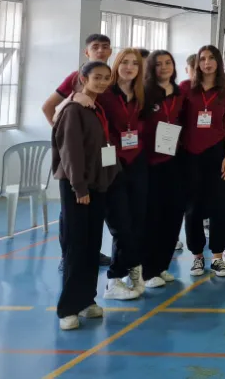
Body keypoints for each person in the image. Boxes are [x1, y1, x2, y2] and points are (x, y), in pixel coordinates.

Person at [53, 61, 119, 331]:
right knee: (77, 246)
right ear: (83, 79)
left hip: (98, 184)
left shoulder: (96, 107)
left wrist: (109, 176)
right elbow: (70, 151)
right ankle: (68, 308)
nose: (102, 82)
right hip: (77, 187)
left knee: (92, 245)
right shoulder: (73, 109)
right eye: (97, 77)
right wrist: (79, 187)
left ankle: (86, 300)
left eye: (106, 78)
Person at [43, 33, 113, 270]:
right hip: (78, 164)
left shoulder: (109, 80)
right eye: (96, 47)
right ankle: (68, 256)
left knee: (92, 221)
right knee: (72, 218)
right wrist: (64, 135)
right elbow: (48, 107)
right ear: (87, 52)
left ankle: (91, 254)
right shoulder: (75, 80)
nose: (100, 51)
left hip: (100, 161)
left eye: (105, 47)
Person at [95, 48, 149, 300]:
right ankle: (114, 280)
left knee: (138, 222)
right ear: (116, 65)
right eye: (124, 62)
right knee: (120, 225)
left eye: (134, 64)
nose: (129, 67)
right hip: (112, 164)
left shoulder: (140, 95)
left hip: (137, 162)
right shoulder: (105, 94)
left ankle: (134, 269)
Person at [180, 45, 225, 277]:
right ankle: (197, 257)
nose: (206, 62)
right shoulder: (185, 88)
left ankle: (217, 257)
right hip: (190, 155)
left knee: (219, 206)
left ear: (218, 62)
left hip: (216, 153)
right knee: (192, 208)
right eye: (202, 58)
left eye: (211, 58)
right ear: (197, 64)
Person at [141, 50, 185, 288]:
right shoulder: (145, 93)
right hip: (150, 163)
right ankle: (148, 270)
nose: (164, 67)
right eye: (158, 64)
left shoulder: (179, 93)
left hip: (174, 161)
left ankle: (162, 265)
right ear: (151, 68)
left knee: (173, 214)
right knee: (153, 216)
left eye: (168, 63)